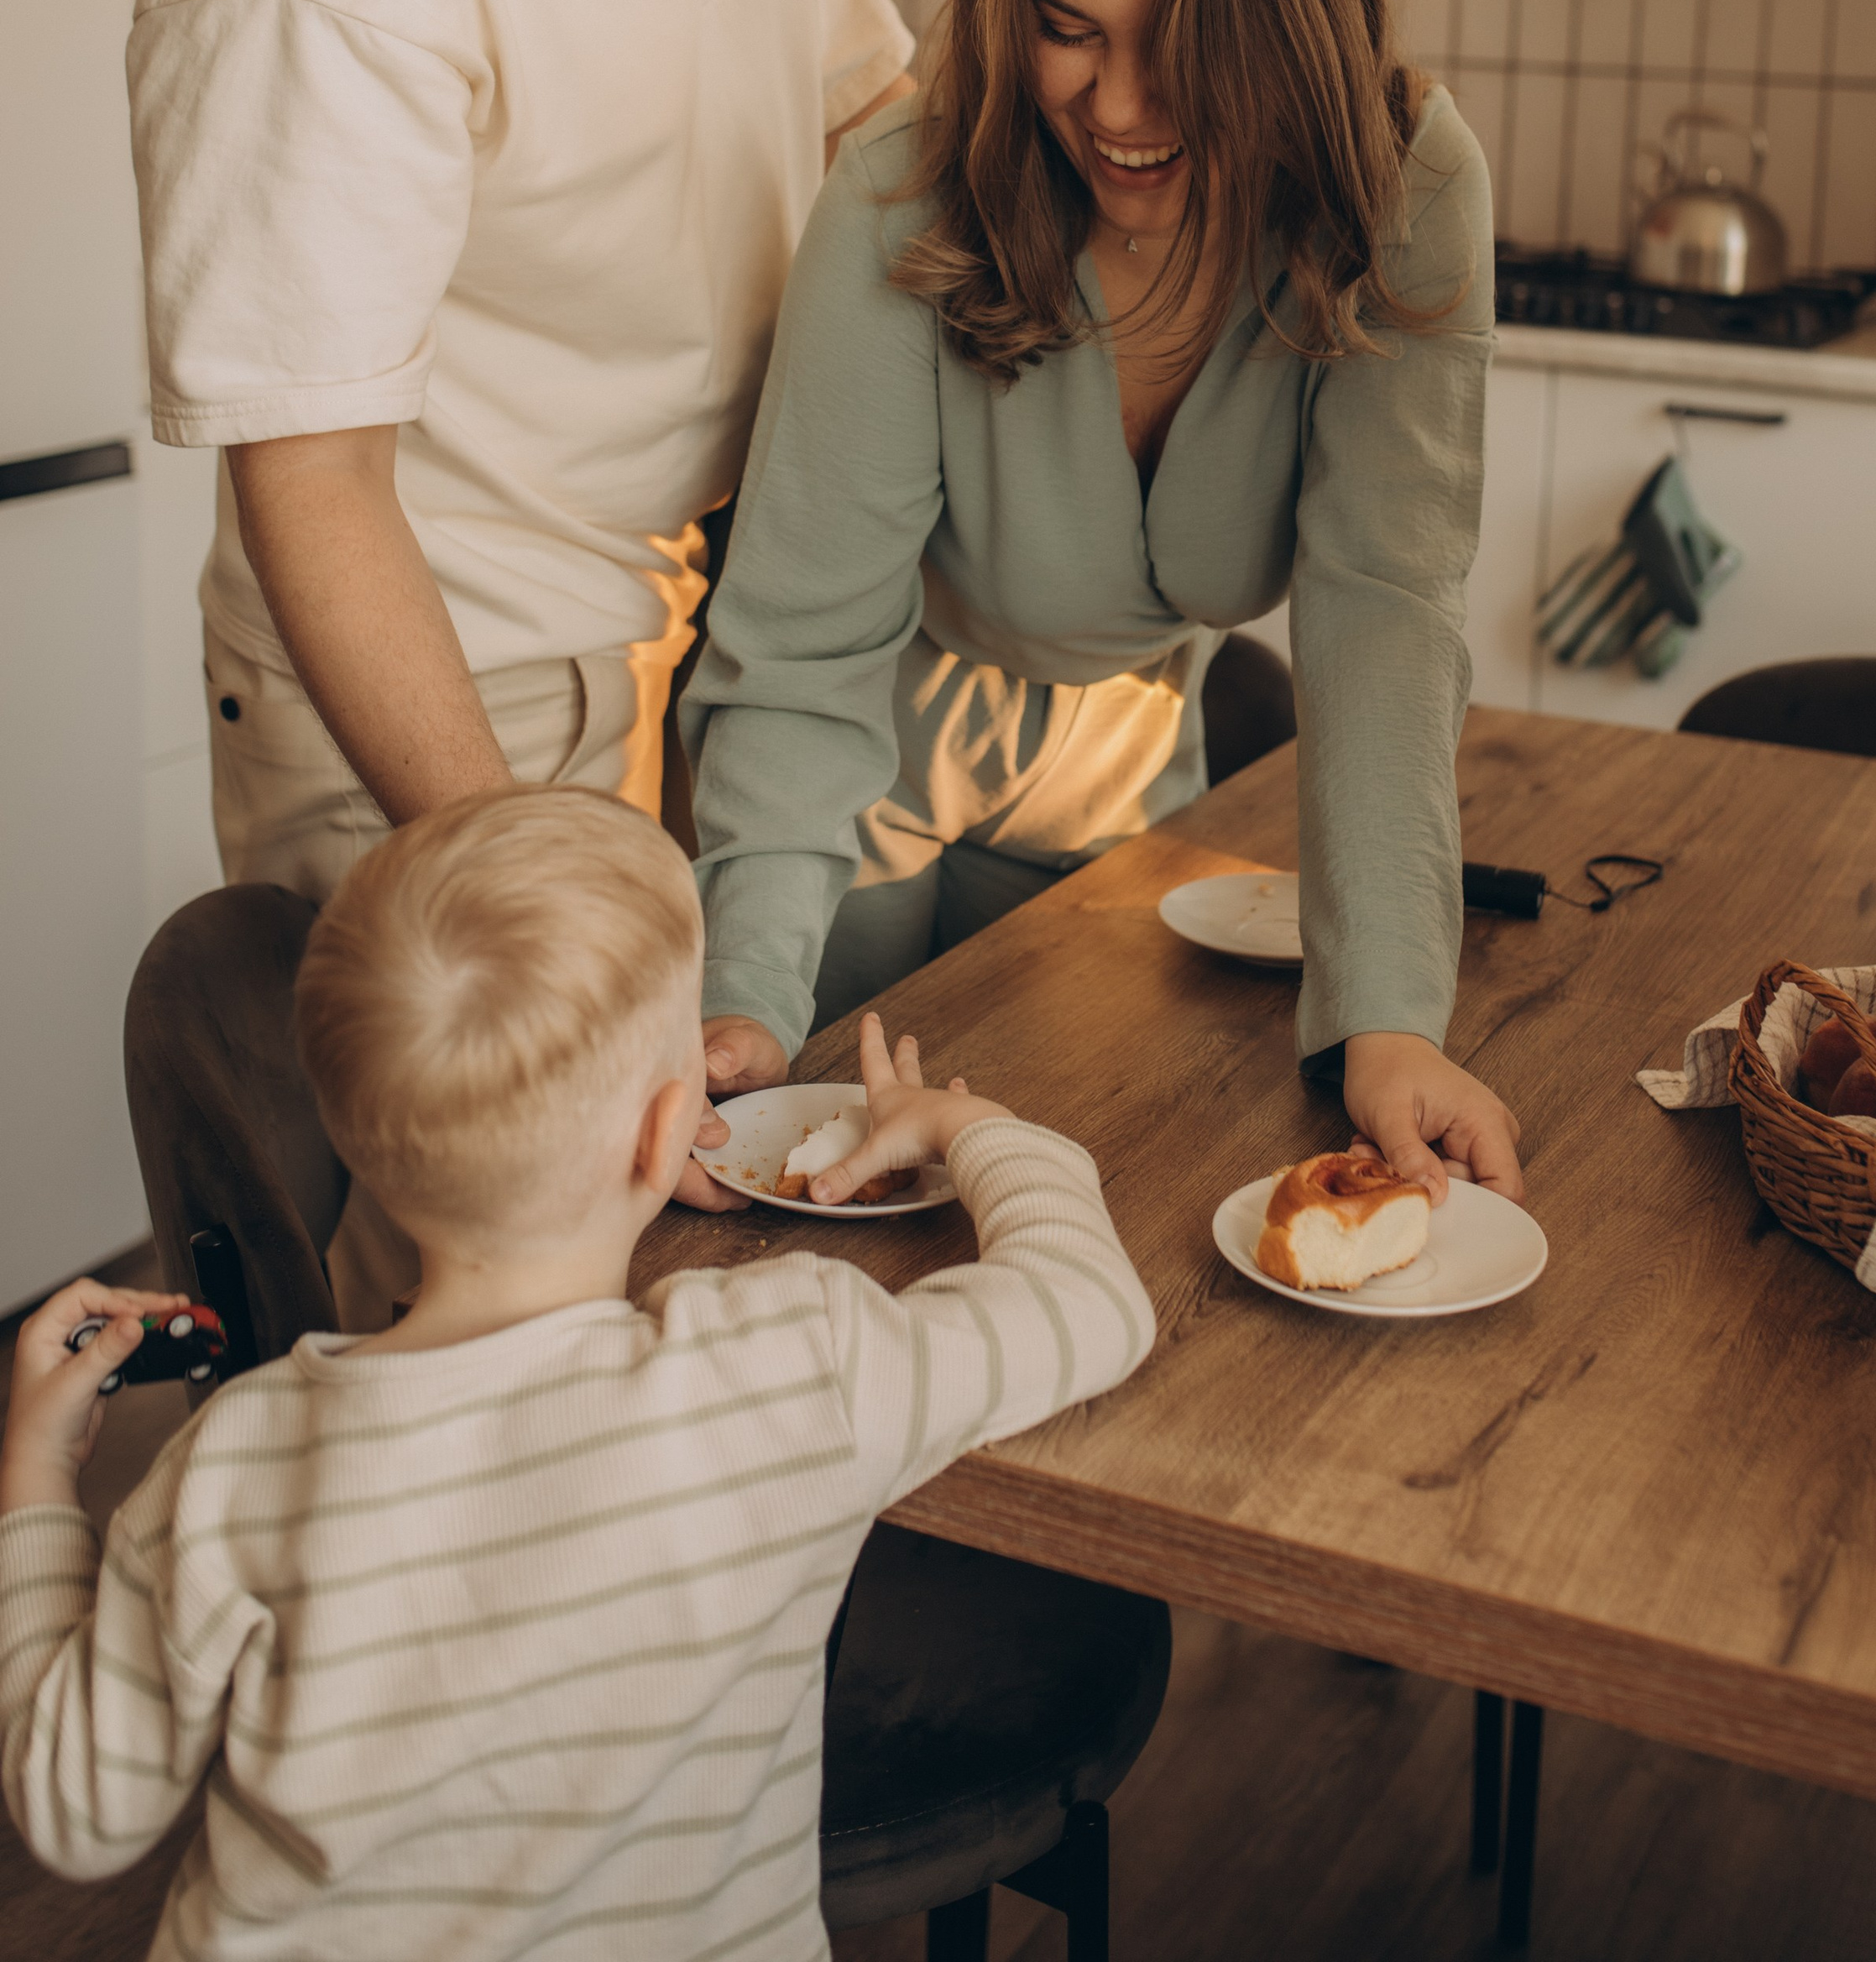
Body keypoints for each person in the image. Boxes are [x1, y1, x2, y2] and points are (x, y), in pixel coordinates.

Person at [123, 0, 913, 1349]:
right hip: (433, 684)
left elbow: (858, 87)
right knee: (467, 1347)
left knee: (669, 1292)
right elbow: (314, 481)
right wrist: (534, 876)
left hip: (669, 618)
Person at [1, 789, 1152, 1962]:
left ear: (354, 1145)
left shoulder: (234, 1465)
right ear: (670, 1136)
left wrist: (38, 1479)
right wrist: (971, 1130)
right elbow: (1091, 1307)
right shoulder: (790, 1369)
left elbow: (78, 1812)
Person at [686, 0, 1524, 1198]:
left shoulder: (1407, 195)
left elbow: (1385, 620)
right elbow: (806, 652)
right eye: (1072, 31)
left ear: (1297, 34)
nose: (1122, 111)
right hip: (864, 759)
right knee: (824, 1175)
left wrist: (1390, 1018)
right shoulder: (906, 201)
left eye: (1186, 54)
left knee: (1085, 1164)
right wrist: (745, 998)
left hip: (1132, 751)